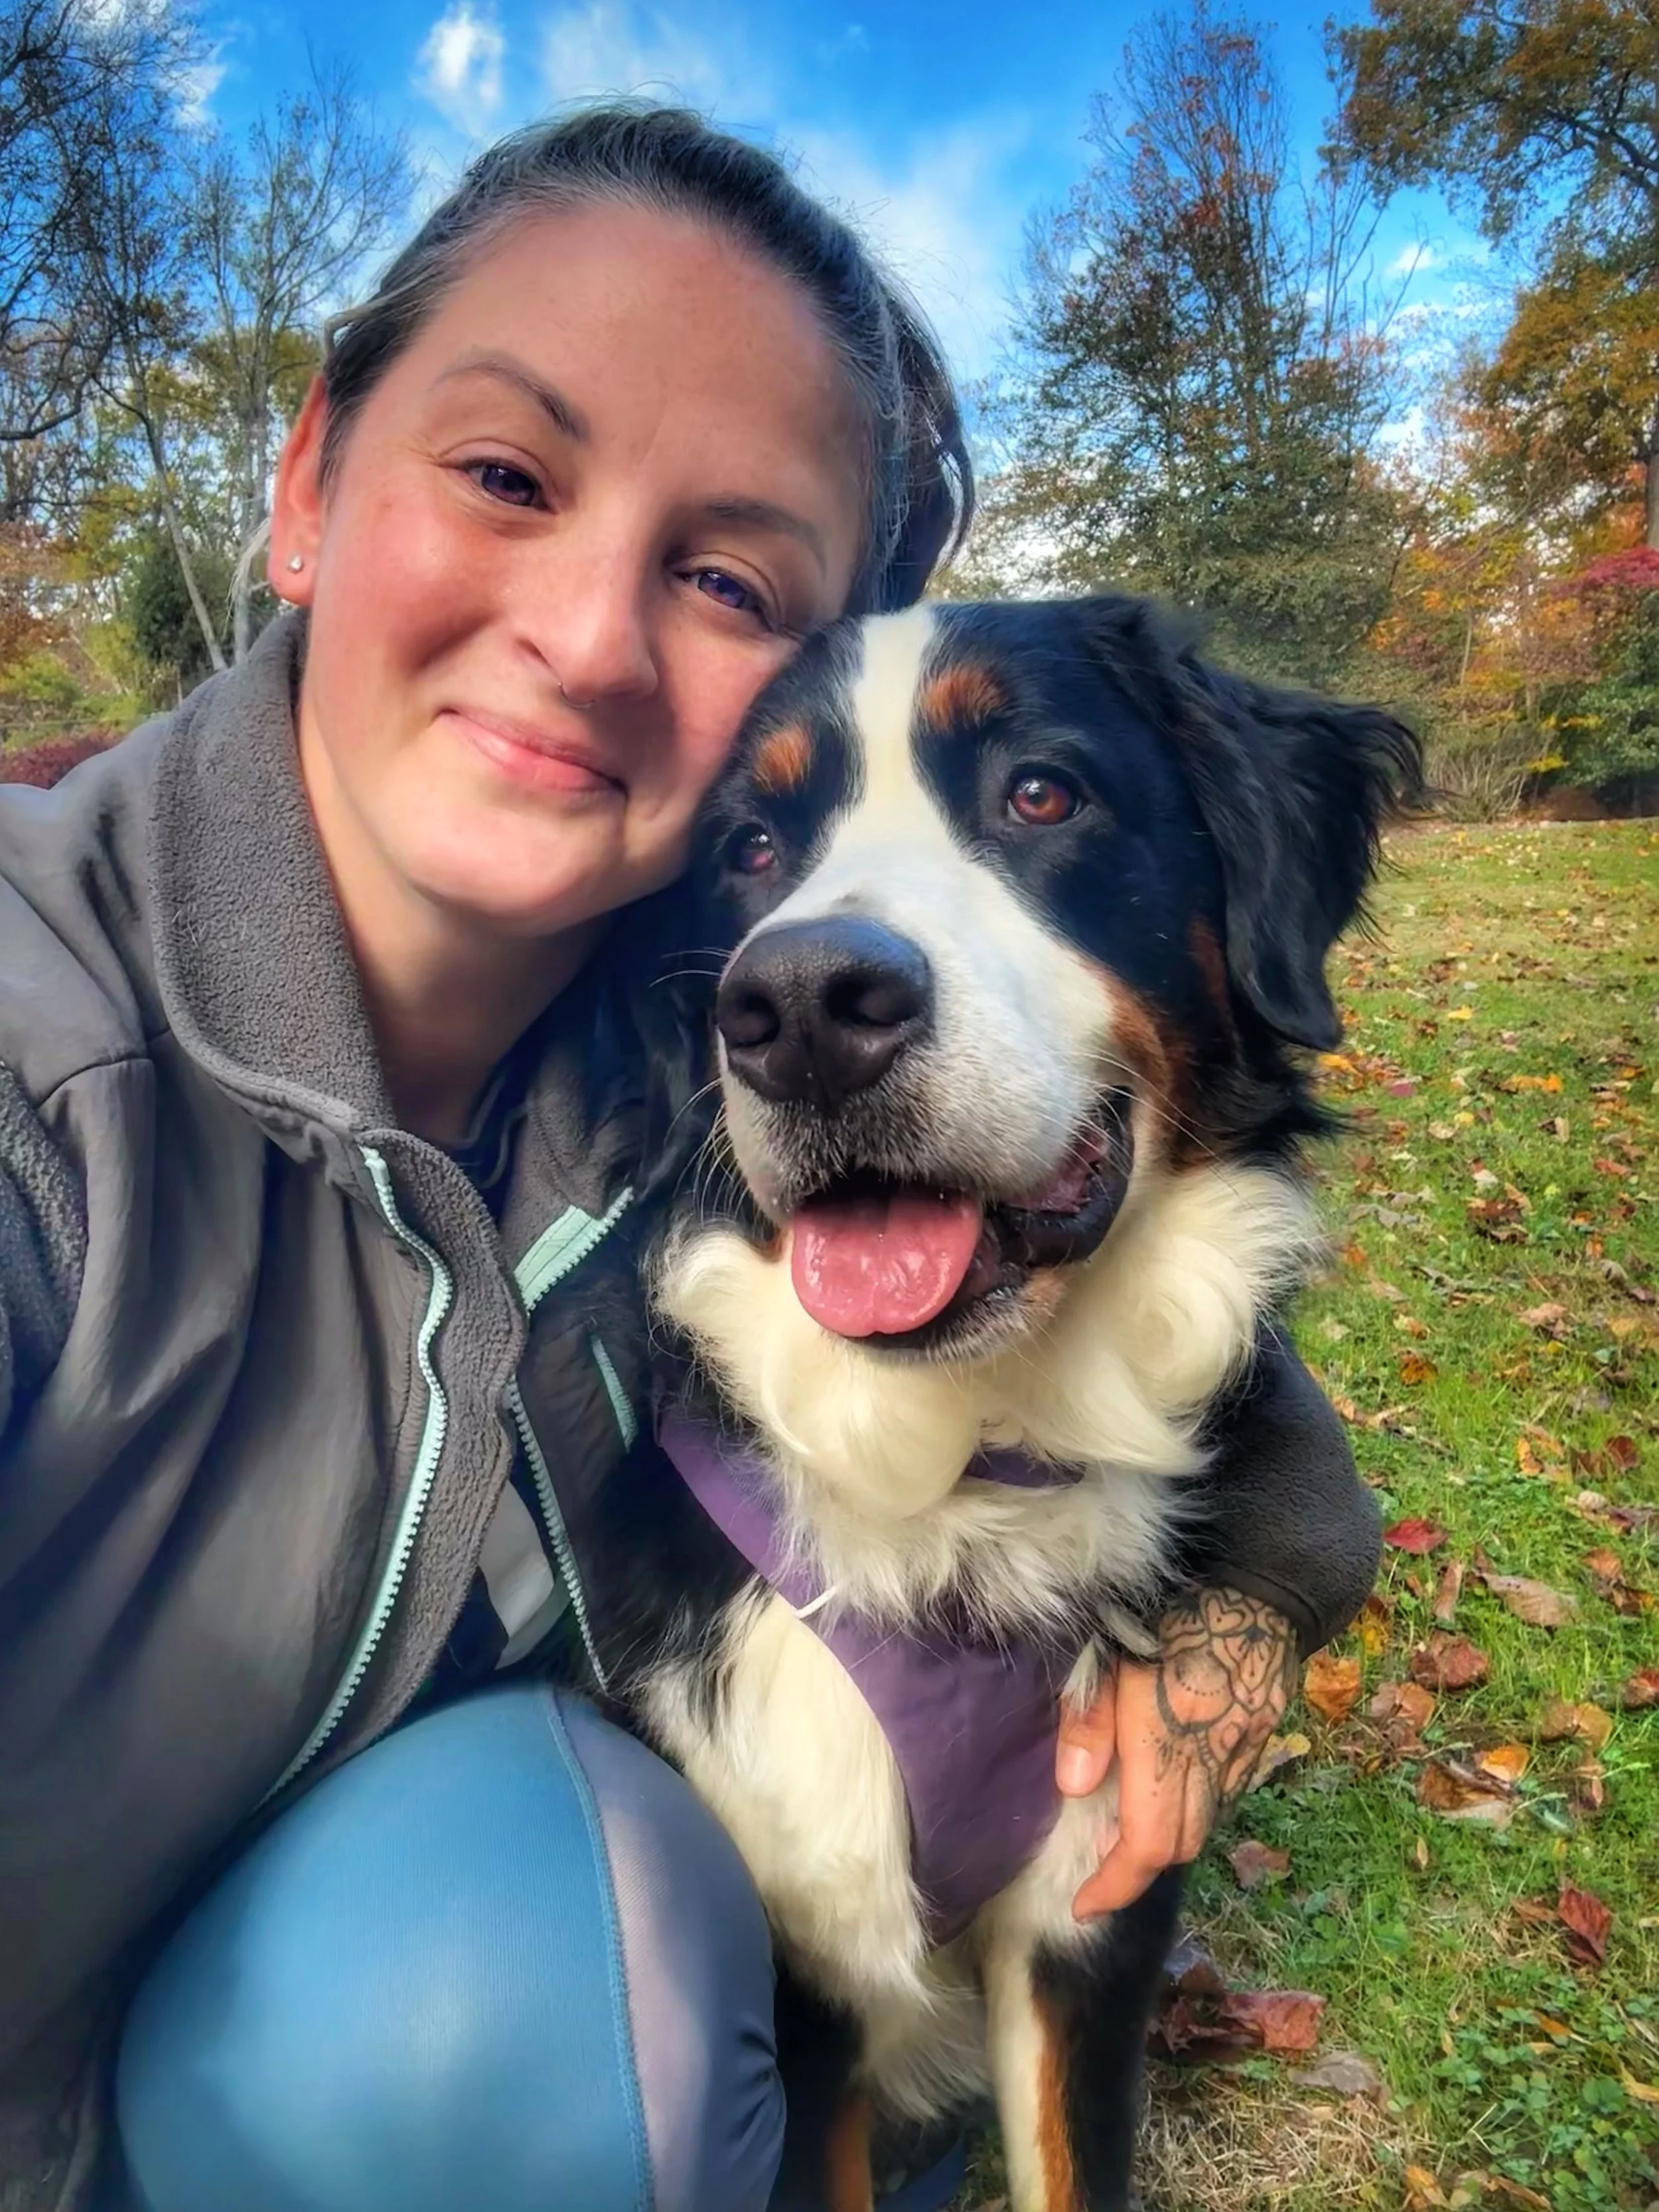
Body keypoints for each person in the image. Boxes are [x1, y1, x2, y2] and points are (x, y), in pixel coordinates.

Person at [0, 104, 1380, 2212]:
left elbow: (1190, 1330)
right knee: (523, 1982)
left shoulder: (682, 1022)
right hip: (262, 2078)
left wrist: (1258, 1595)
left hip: (520, 2016)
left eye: (730, 571)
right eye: (504, 474)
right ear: (304, 481)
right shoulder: (42, 1059)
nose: (586, 628)